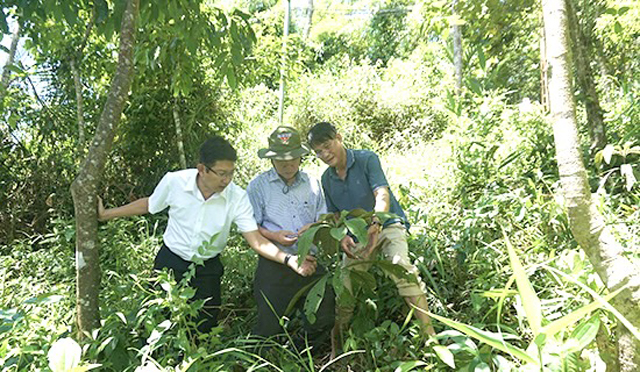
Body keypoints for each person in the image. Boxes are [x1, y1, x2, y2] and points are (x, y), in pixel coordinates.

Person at [97, 136, 316, 334]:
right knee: (157, 323)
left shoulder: (237, 197)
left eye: (231, 173)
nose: (227, 180)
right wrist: (107, 214)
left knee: (204, 327)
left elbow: (256, 240)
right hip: (169, 262)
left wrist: (289, 259)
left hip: (207, 269)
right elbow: (149, 204)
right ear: (202, 169)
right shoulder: (175, 182)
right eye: (222, 173)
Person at [306, 122, 436, 351]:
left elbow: (382, 193)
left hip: (386, 224)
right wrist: (342, 236)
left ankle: (430, 338)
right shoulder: (327, 178)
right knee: (345, 286)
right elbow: (337, 215)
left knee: (402, 268)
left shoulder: (367, 159)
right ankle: (339, 347)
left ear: (339, 137)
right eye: (318, 152)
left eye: (327, 146)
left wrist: (376, 223)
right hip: (358, 235)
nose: (325, 154)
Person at [246, 126, 335, 352]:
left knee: (323, 318)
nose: (288, 165)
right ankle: (263, 361)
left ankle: (300, 354)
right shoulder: (258, 187)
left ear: (300, 156)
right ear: (272, 159)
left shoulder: (312, 183)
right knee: (268, 329)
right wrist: (274, 235)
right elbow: (252, 229)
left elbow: (324, 220)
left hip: (310, 261)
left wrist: (313, 228)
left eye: (293, 159)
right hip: (275, 262)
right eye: (281, 160)